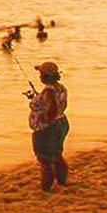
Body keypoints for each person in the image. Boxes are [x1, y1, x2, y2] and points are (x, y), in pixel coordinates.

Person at [28, 62, 69, 192]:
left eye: (41, 73)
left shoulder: (48, 91)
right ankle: (62, 182)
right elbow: (56, 105)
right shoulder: (60, 88)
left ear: (45, 76)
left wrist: (40, 118)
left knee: (45, 160)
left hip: (48, 129)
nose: (39, 76)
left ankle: (47, 188)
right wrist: (36, 99)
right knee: (57, 155)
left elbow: (50, 112)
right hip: (61, 123)